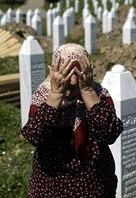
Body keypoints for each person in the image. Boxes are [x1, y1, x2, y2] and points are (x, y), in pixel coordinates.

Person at [21, 43, 123, 197]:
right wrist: (56, 95)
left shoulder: (99, 94)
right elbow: (35, 135)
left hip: (94, 183)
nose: (74, 80)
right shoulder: (44, 94)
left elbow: (109, 134)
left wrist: (88, 92)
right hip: (51, 185)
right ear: (55, 69)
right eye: (67, 72)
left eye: (79, 72)